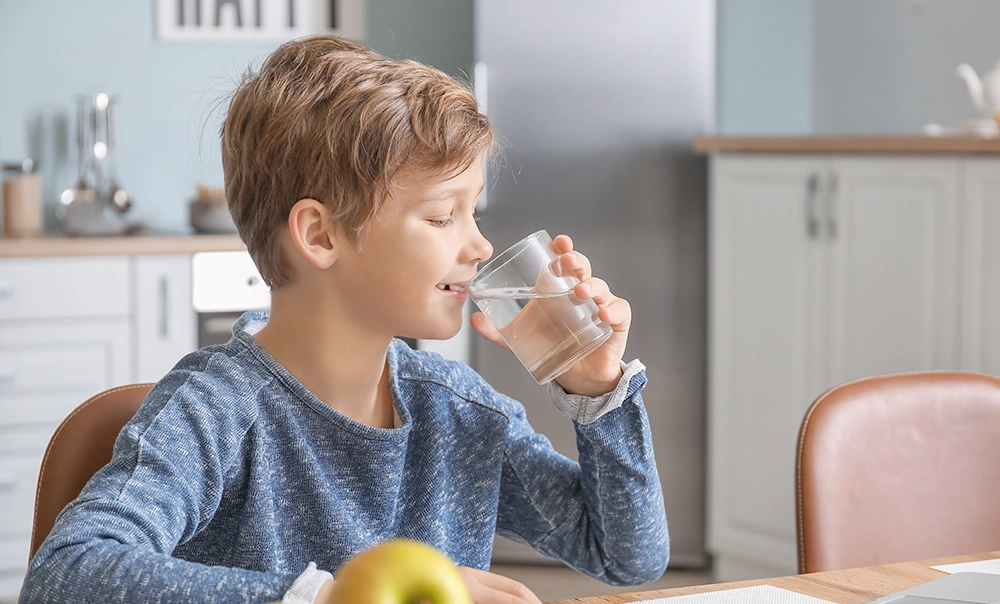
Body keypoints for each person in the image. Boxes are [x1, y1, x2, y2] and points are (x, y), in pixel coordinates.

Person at [20, 35, 668, 604]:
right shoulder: (213, 414)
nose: (476, 246)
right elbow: (65, 576)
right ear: (320, 236)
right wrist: (336, 598)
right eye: (444, 216)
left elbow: (626, 555)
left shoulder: (460, 413)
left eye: (474, 213)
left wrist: (595, 391)